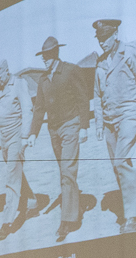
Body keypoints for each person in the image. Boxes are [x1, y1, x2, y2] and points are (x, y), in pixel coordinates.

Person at [92, 18, 136, 234]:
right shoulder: (100, 62)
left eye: (105, 37)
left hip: (128, 114)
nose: (102, 42)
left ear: (115, 34)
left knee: (121, 162)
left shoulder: (130, 53)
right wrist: (99, 124)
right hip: (109, 120)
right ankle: (130, 205)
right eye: (99, 39)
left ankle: (133, 217)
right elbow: (97, 95)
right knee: (117, 165)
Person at [31, 35, 94, 242]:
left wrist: (84, 127)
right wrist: (33, 133)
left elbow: (83, 98)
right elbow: (39, 108)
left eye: (48, 55)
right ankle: (76, 206)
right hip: (53, 131)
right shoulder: (42, 80)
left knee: (67, 172)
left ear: (56, 53)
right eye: (43, 56)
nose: (44, 59)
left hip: (70, 125)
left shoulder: (70, 70)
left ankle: (67, 221)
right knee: (64, 171)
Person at [0, 61, 31, 240]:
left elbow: (27, 109)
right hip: (4, 141)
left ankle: (7, 222)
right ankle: (33, 202)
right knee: (16, 173)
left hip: (16, 138)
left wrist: (25, 136)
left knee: (11, 177)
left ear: (7, 72)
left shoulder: (18, 84)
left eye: (0, 77)